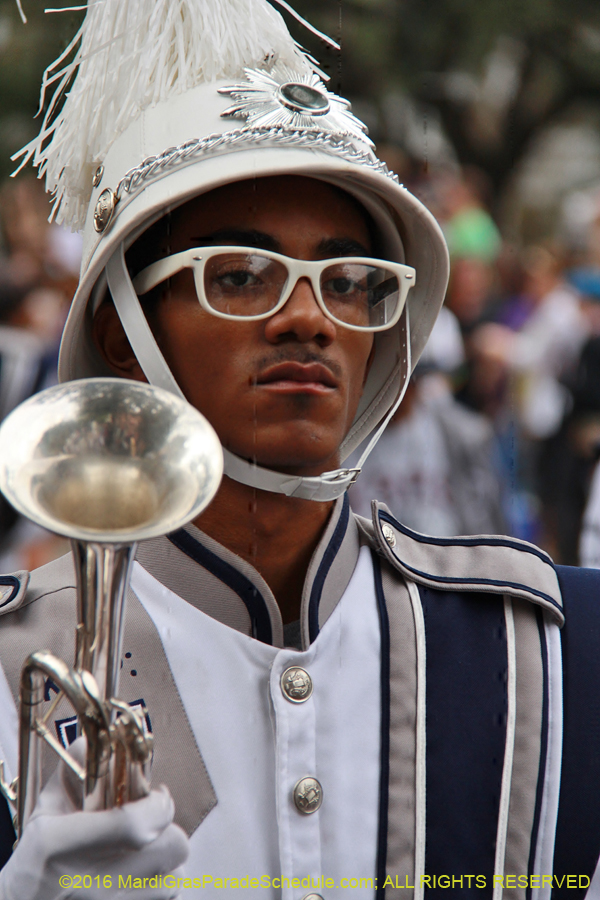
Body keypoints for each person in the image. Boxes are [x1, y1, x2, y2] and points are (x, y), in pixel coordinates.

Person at [0, 2, 599, 899]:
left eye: (353, 281)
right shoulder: (14, 660)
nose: (308, 318)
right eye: (239, 274)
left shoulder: (558, 643)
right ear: (124, 333)